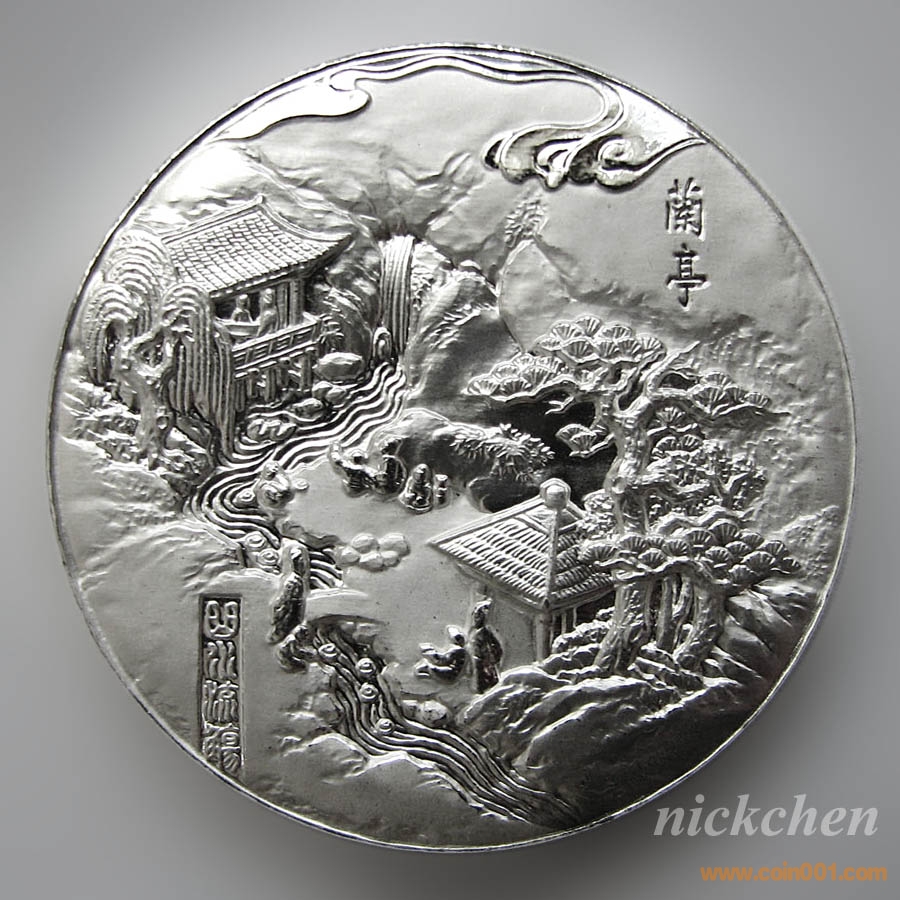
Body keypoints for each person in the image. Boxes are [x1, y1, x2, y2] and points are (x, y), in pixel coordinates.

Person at [469, 600, 502, 692]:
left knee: (488, 684)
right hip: (482, 663)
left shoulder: (484, 633)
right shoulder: (480, 633)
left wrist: (492, 658)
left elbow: (495, 648)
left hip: (485, 663)